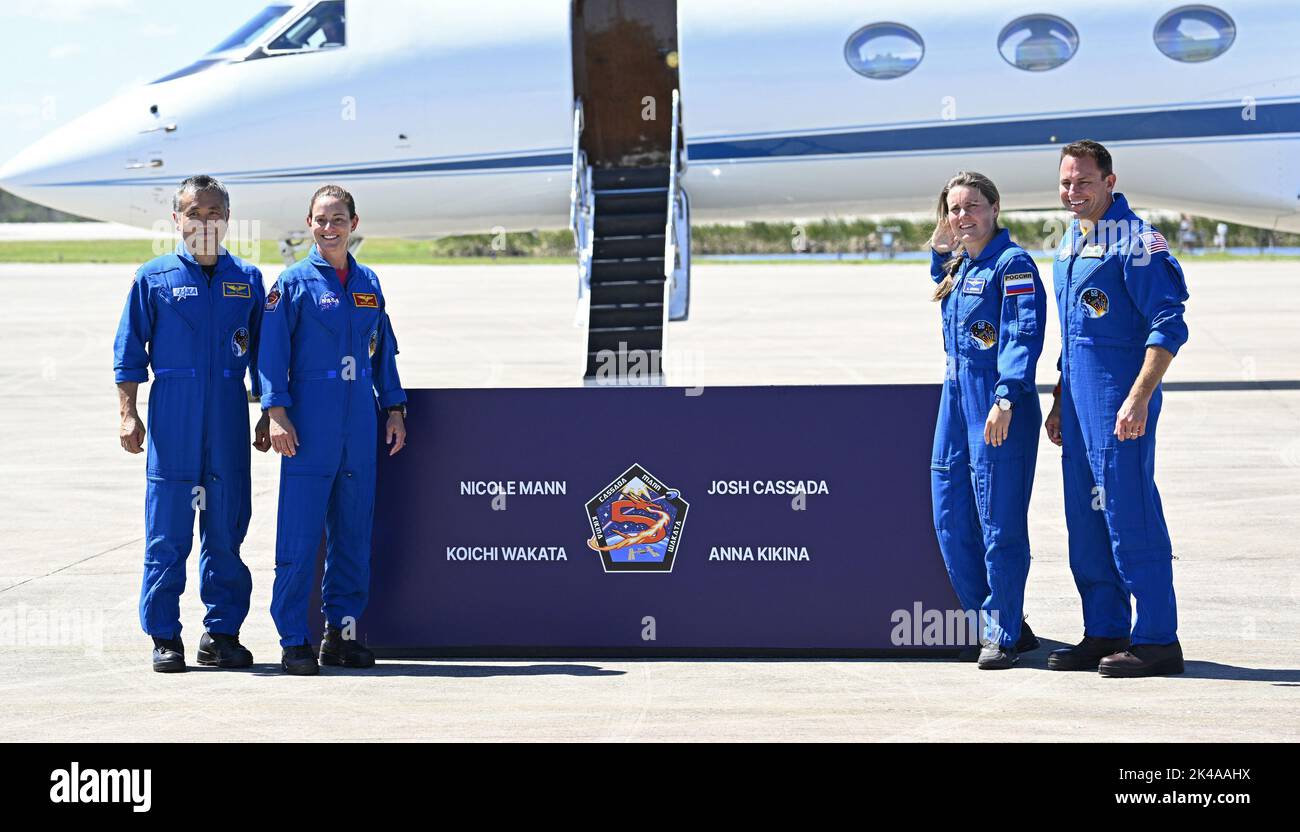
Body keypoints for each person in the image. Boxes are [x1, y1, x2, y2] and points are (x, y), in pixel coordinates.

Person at [1044, 140, 1190, 677]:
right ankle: (1104, 628)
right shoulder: (1069, 245)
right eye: (1065, 183)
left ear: (1109, 181)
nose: (1073, 192)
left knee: (1130, 515)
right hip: (1079, 412)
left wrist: (1139, 396)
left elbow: (1168, 325)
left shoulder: (1137, 243)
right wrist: (1060, 401)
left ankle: (1156, 639)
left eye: (1084, 181)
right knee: (1086, 520)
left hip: (1120, 406)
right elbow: (1072, 335)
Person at [114, 175, 269, 673]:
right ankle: (164, 635)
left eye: (213, 213)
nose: (204, 222)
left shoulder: (247, 278)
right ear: (177, 219)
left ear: (227, 218)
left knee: (226, 530)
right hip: (172, 418)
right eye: (193, 213)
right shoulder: (153, 278)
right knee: (168, 531)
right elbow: (129, 352)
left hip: (227, 414)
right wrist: (127, 413)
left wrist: (269, 409)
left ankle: (221, 634)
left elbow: (265, 356)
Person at [259, 184, 407, 675]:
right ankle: (293, 639)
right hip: (310, 423)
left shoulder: (369, 284)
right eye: (321, 220)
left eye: (338, 218)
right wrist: (276, 412)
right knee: (298, 537)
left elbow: (382, 351)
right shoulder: (293, 284)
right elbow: (272, 354)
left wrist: (393, 408)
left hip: (359, 423)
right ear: (309, 224)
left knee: (351, 534)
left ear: (354, 223)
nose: (329, 228)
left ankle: (339, 635)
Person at [927, 172, 1047, 669]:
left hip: (998, 404)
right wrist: (940, 245)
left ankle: (1002, 633)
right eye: (954, 209)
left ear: (995, 208)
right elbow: (939, 274)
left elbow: (1022, 333)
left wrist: (1006, 396)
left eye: (972, 206)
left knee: (999, 524)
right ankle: (995, 620)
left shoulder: (1012, 264)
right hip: (955, 400)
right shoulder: (960, 265)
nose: (963, 216)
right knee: (951, 517)